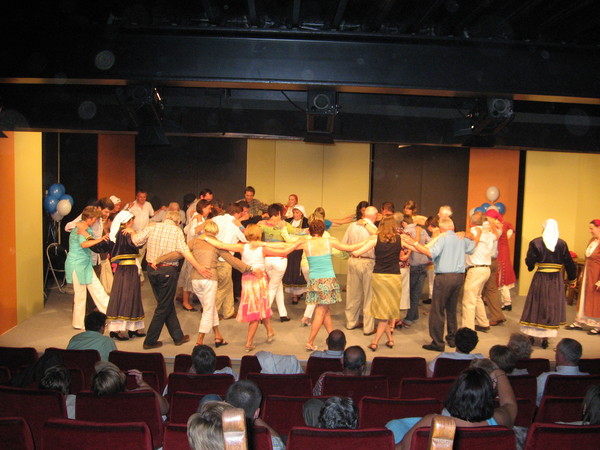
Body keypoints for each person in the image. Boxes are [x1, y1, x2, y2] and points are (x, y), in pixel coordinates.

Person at [198, 222, 299, 351]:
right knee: (256, 312)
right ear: (259, 234)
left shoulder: (242, 247)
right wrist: (297, 244)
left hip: (246, 281)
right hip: (259, 281)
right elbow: (284, 249)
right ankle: (249, 343)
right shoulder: (263, 248)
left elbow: (222, 245)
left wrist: (206, 238)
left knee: (262, 306)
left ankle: (269, 330)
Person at [132, 210, 212, 349]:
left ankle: (178, 337)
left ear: (166, 218)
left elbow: (135, 240)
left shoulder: (153, 227)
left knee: (166, 303)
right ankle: (150, 341)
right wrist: (198, 266)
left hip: (151, 270)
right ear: (178, 222)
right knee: (163, 306)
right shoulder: (176, 231)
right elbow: (184, 251)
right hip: (167, 271)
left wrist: (131, 230)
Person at [401, 216, 476, 351]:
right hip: (459, 277)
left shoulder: (443, 238)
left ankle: (437, 343)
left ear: (441, 228)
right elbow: (472, 247)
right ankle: (452, 339)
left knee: (437, 310)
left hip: (444, 277)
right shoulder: (460, 238)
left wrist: (415, 243)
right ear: (452, 227)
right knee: (451, 309)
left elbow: (431, 252)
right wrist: (467, 234)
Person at [393, 367, 517, 448]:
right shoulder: (499, 420)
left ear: (456, 393)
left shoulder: (434, 422)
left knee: (394, 426)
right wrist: (499, 373)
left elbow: (402, 448)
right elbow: (510, 403)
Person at [179, 220, 257, 347]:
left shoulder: (195, 241)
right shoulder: (216, 244)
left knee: (210, 308)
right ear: (216, 232)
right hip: (210, 279)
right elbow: (232, 260)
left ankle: (218, 336)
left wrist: (159, 260)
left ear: (204, 230)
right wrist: (250, 268)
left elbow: (180, 252)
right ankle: (199, 342)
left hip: (195, 279)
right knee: (208, 310)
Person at [296, 220, 367, 351]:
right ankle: (310, 342)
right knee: (320, 311)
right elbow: (351, 248)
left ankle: (332, 337)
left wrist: (264, 245)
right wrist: (370, 240)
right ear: (323, 230)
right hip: (327, 280)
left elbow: (285, 247)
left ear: (310, 231)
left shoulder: (306, 242)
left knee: (325, 310)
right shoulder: (329, 241)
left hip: (314, 280)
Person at [519, 219, 578, 349]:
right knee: (551, 304)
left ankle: (532, 335)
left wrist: (531, 265)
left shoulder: (535, 242)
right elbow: (569, 263)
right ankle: (545, 337)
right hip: (555, 279)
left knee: (537, 303)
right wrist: (572, 280)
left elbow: (529, 261)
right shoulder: (562, 244)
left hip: (541, 277)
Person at [351, 216, 404, 351]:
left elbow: (357, 252)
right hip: (395, 277)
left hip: (379, 276)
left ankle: (375, 342)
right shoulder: (400, 239)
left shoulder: (375, 239)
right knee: (386, 309)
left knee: (382, 309)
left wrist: (349, 250)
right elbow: (417, 248)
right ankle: (389, 339)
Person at [93, 209, 146, 340]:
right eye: (132, 221)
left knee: (125, 296)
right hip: (128, 270)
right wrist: (134, 232)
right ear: (129, 221)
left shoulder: (114, 234)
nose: (133, 223)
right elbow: (139, 243)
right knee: (126, 297)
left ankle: (132, 328)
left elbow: (99, 247)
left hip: (123, 269)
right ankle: (118, 330)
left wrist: (90, 238)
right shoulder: (126, 234)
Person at [65, 206, 110, 330]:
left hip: (85, 264)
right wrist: (100, 239)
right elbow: (84, 244)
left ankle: (110, 314)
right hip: (77, 265)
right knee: (80, 295)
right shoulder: (81, 228)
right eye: (94, 219)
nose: (95, 221)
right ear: (89, 218)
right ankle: (78, 323)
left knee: (98, 290)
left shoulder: (85, 228)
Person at [258, 203, 300, 322]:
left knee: (277, 286)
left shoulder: (262, 224)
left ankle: (283, 314)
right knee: (273, 287)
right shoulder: (284, 224)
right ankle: (263, 315)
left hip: (267, 259)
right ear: (279, 213)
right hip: (280, 259)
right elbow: (298, 231)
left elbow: (251, 233)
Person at [342, 205, 378, 335]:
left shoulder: (352, 226)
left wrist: (352, 252)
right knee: (369, 296)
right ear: (374, 216)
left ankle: (351, 322)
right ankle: (368, 327)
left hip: (353, 261)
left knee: (353, 294)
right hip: (368, 262)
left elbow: (344, 244)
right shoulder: (374, 229)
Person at [212, 202, 248, 320]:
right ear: (237, 213)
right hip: (225, 258)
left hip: (212, 256)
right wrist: (240, 225)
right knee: (223, 286)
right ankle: (211, 313)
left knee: (227, 284)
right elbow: (247, 237)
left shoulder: (216, 219)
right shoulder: (234, 223)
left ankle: (228, 311)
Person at [91, 361, 169, 415]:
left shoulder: (90, 404)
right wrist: (145, 386)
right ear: (123, 381)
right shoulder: (140, 397)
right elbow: (165, 409)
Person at [225, 380, 285, 448]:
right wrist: (254, 414)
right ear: (257, 413)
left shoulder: (215, 435)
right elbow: (279, 443)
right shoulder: (270, 443)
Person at [565, 219, 600, 334]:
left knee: (595, 298)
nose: (590, 231)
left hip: (597, 274)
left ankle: (598, 325)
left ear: (599, 228)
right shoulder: (592, 240)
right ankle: (579, 321)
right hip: (588, 273)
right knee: (584, 296)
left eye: (591, 228)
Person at [461, 211, 493, 332]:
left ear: (470, 222)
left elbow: (469, 238)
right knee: (477, 296)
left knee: (468, 300)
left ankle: (467, 328)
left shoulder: (474, 231)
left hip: (475, 269)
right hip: (486, 268)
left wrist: (462, 234)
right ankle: (483, 323)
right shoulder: (488, 233)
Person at [180, 199, 214, 312]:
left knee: (191, 277)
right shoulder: (197, 217)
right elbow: (192, 232)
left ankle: (191, 300)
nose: (209, 211)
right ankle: (185, 302)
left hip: (196, 251)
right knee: (189, 277)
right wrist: (205, 223)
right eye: (208, 208)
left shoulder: (197, 217)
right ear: (203, 208)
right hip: (194, 252)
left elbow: (186, 230)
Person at [536, 338, 589, 406]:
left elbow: (535, 403)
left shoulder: (545, 378)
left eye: (556, 351)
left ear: (560, 356)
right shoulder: (588, 380)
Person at [402, 213, 431, 327]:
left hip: (412, 265)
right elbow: (430, 242)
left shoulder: (405, 232)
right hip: (423, 264)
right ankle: (414, 316)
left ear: (404, 223)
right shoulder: (422, 230)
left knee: (410, 293)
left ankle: (409, 318)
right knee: (417, 293)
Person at [128, 190, 159, 282]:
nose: (142, 199)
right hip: (135, 234)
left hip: (146, 234)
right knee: (137, 255)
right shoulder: (131, 205)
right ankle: (138, 275)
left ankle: (143, 274)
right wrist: (128, 208)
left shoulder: (148, 205)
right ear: (136, 197)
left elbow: (152, 214)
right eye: (140, 197)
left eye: (144, 197)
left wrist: (161, 209)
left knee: (147, 254)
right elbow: (123, 216)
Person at [283, 204, 309, 304]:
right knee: (291, 269)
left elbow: (308, 233)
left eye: (297, 212)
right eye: (294, 212)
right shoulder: (288, 221)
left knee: (299, 270)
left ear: (302, 213)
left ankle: (298, 292)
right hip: (290, 249)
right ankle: (294, 293)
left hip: (300, 250)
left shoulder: (306, 222)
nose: (295, 214)